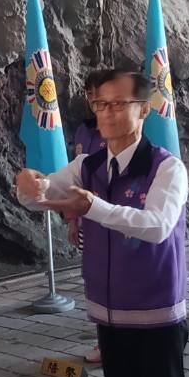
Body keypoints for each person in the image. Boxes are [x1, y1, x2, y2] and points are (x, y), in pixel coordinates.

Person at [15, 68, 189, 377]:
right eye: (100, 105)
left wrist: (93, 208)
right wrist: (26, 181)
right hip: (108, 315)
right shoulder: (88, 164)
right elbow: (38, 195)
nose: (108, 113)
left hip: (156, 313)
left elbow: (155, 226)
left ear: (144, 109)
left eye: (118, 104)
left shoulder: (166, 167)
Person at [70, 110, 107, 363]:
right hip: (88, 220)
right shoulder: (83, 131)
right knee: (96, 281)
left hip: (115, 221)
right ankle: (103, 341)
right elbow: (75, 182)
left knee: (115, 281)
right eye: (92, 96)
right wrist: (73, 220)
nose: (97, 103)